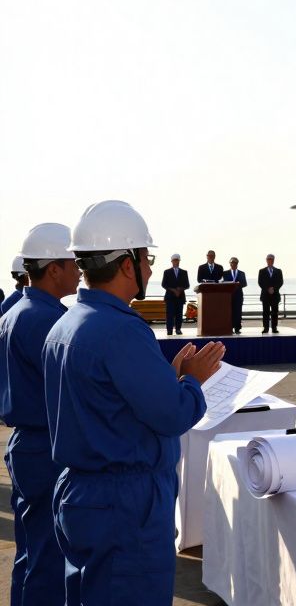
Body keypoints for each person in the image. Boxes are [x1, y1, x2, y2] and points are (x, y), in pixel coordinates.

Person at [43, 200, 224, 604]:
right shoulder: (121, 331)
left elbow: (111, 401)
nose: (151, 268)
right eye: (147, 258)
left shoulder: (66, 324)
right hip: (123, 505)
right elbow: (174, 414)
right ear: (128, 264)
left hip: (81, 494)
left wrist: (171, 377)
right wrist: (192, 382)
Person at [0, 223, 81, 605]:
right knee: (48, 560)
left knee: (31, 553)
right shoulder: (46, 320)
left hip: (28, 444)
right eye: (72, 261)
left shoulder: (17, 311)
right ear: (53, 269)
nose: (80, 269)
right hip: (46, 446)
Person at [160, 253, 190, 336]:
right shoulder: (167, 272)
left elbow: (187, 285)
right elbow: (164, 284)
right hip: (170, 297)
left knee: (179, 314)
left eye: (177, 260)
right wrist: (173, 290)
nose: (176, 262)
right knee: (170, 314)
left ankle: (178, 329)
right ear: (171, 261)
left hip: (180, 297)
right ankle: (169, 330)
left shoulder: (184, 272)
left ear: (179, 261)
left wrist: (180, 289)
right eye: (174, 260)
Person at [258, 253, 284, 333]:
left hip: (275, 294)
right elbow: (260, 282)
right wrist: (267, 289)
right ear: (266, 260)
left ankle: (274, 328)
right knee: (265, 312)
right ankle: (266, 328)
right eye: (269, 259)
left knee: (275, 312)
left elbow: (281, 282)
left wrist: (274, 288)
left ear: (273, 260)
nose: (270, 261)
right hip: (265, 295)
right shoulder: (261, 271)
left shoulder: (278, 271)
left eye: (271, 259)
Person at [226, 257, 247, 333]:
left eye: (235, 263)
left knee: (238, 312)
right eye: (232, 263)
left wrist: (238, 284)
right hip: (229, 296)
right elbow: (224, 283)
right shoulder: (225, 273)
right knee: (229, 312)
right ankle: (230, 327)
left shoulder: (241, 273)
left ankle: (237, 328)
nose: (233, 264)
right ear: (230, 264)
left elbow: (245, 283)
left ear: (237, 264)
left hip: (238, 295)